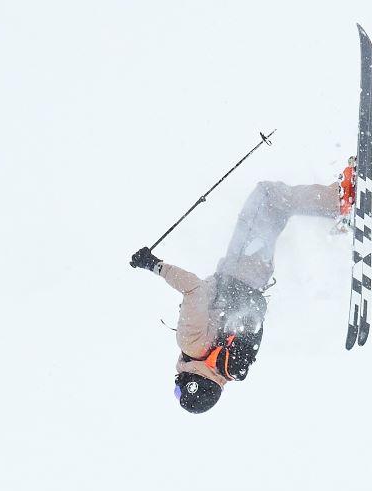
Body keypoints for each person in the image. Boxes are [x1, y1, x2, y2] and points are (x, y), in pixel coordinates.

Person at [130, 164, 355, 413]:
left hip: (256, 279)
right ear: (191, 383)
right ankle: (339, 200)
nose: (176, 383)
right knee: (267, 196)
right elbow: (194, 288)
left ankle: (337, 209)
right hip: (240, 268)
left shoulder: (228, 371)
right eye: (178, 388)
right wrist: (154, 265)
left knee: (275, 211)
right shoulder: (190, 343)